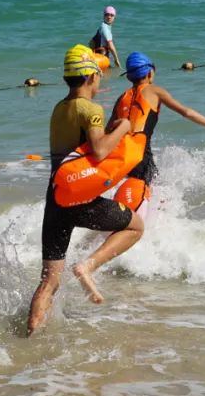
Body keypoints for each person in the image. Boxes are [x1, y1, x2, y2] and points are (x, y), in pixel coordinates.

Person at [27, 44, 143, 336]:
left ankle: (29, 336)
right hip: (81, 200)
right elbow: (100, 150)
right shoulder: (90, 109)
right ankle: (88, 266)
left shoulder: (59, 108)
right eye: (99, 74)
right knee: (136, 227)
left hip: (55, 200)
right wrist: (124, 126)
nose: (101, 79)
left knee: (49, 281)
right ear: (91, 76)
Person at [111, 51, 205, 218]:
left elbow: (108, 131)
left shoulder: (121, 98)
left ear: (128, 77)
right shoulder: (154, 91)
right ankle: (140, 231)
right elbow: (187, 112)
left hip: (121, 156)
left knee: (145, 191)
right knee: (144, 197)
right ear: (149, 72)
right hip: (141, 156)